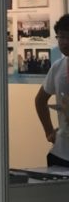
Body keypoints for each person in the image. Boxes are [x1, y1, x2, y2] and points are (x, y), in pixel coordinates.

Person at [34, 14, 69, 168]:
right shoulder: (58, 67)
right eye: (61, 36)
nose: (65, 42)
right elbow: (40, 100)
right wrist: (49, 131)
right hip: (61, 152)